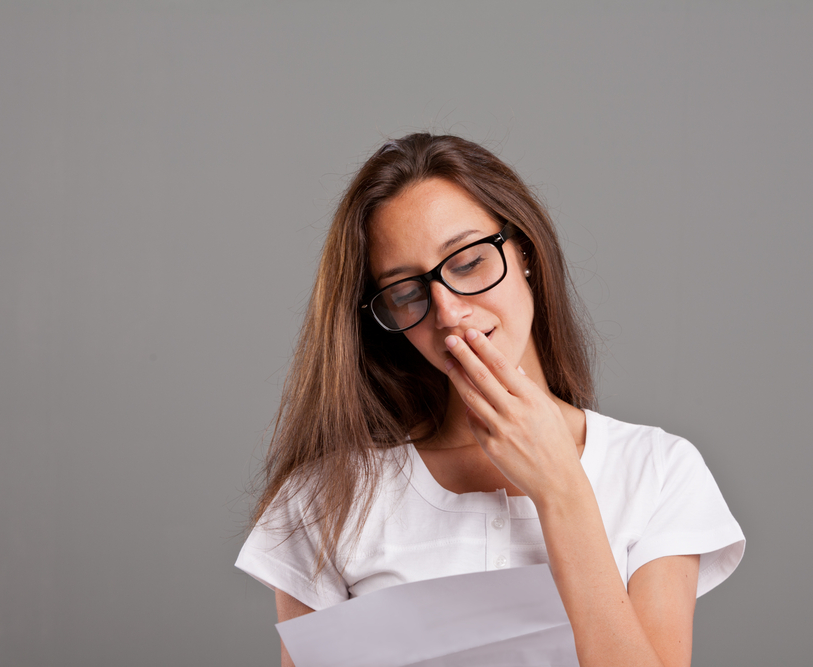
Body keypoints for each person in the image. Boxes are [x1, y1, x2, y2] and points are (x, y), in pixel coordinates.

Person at [236, 133, 744, 667]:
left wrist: (562, 491)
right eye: (407, 292)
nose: (449, 312)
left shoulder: (657, 471)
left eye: (468, 262)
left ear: (523, 249)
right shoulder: (325, 499)